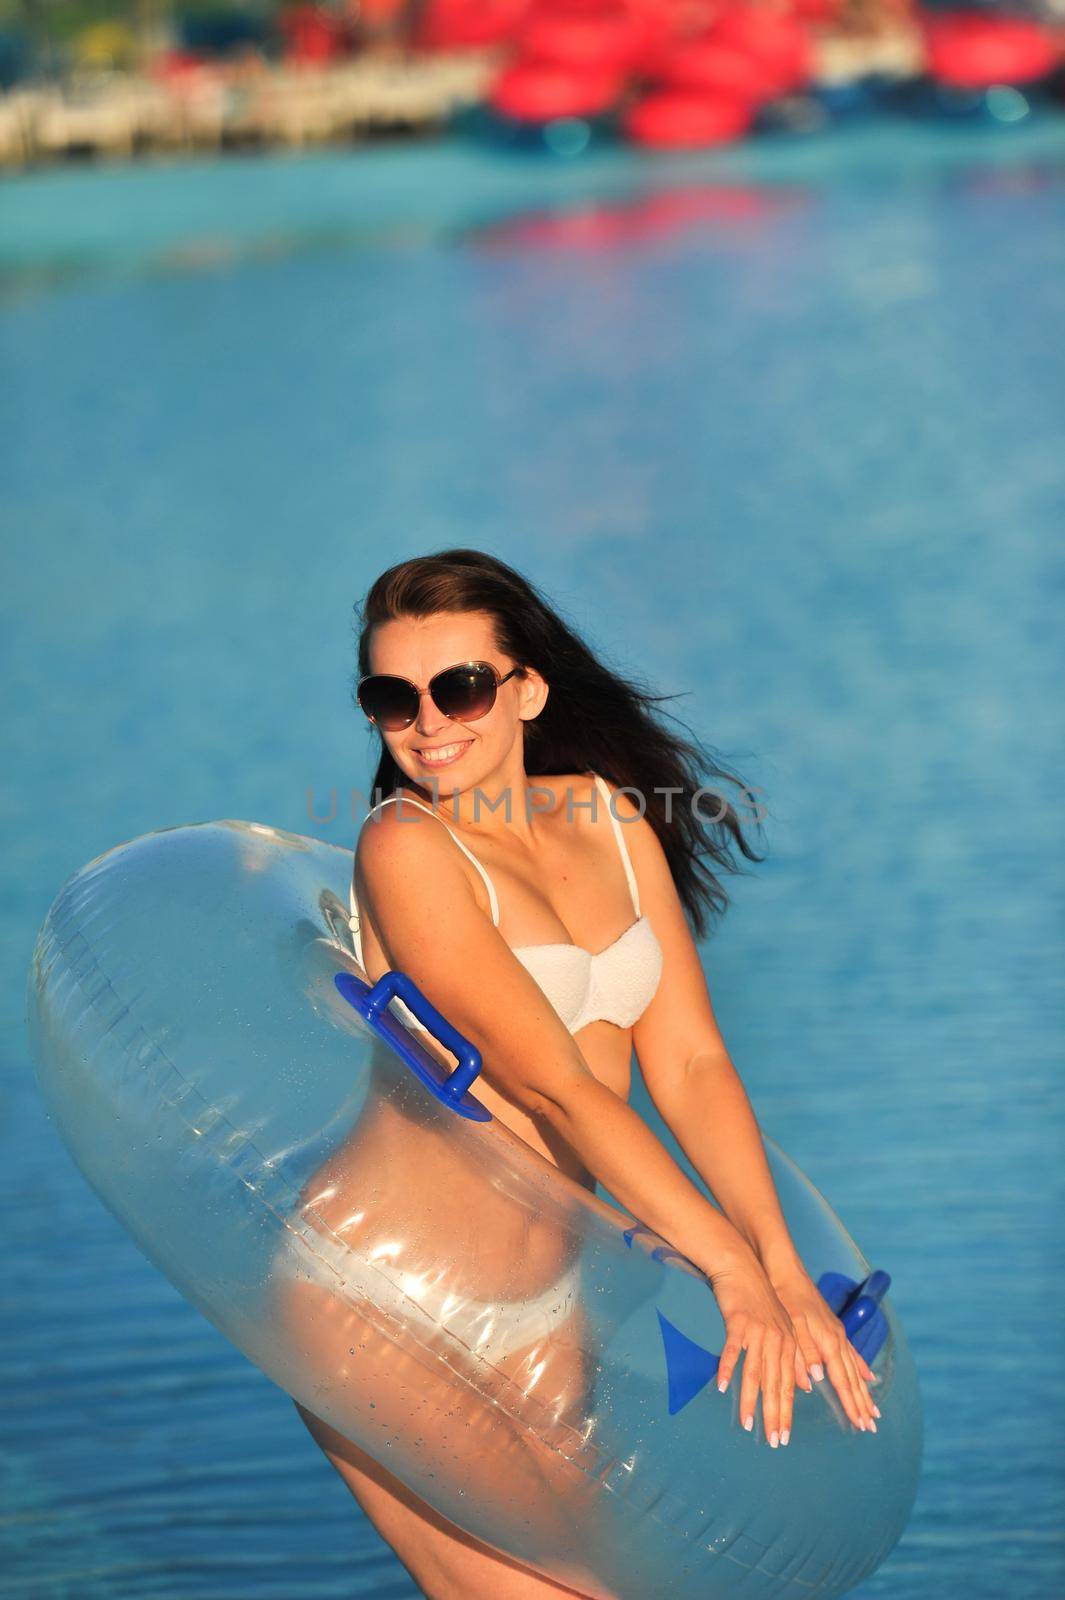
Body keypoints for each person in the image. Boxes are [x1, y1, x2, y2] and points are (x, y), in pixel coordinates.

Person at [289, 547, 880, 1600]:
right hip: (389, 1291)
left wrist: (781, 1268)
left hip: (544, 1303)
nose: (428, 724)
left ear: (526, 690)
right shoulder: (407, 848)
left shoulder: (608, 818)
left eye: (460, 686)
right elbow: (559, 1087)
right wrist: (727, 1272)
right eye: (392, 698)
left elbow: (692, 1062)